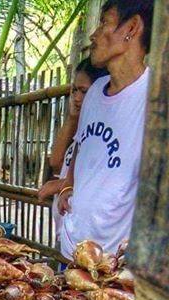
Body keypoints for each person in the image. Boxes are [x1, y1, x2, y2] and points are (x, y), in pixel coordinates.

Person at [57, 0, 154, 258]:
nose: (94, 34)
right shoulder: (94, 94)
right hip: (73, 247)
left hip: (114, 263)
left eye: (104, 23)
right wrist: (68, 186)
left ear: (131, 28)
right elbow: (82, 146)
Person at [38, 59, 108, 240]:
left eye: (84, 91)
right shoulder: (80, 127)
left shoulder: (102, 132)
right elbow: (55, 162)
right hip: (67, 233)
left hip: (86, 238)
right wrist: (72, 117)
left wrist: (59, 185)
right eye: (74, 90)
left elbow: (98, 177)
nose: (76, 97)